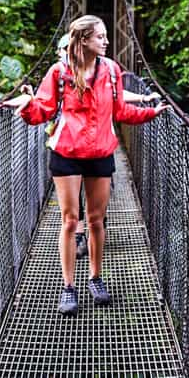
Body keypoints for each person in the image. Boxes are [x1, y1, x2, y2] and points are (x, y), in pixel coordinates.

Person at [4, 15, 169, 316]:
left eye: (106, 36)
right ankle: (68, 287)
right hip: (67, 152)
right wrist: (27, 105)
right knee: (69, 220)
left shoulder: (111, 70)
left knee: (96, 221)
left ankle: (95, 278)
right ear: (83, 41)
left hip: (100, 152)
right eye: (100, 37)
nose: (106, 41)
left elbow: (120, 111)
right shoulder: (59, 72)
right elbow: (42, 111)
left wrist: (150, 113)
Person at [53, 32, 161, 259]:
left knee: (96, 198)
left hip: (97, 144)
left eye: (68, 49)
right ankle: (80, 237)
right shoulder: (59, 74)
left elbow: (117, 97)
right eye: (63, 51)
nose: (66, 54)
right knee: (73, 203)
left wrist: (143, 100)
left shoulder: (101, 72)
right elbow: (43, 102)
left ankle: (94, 230)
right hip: (67, 145)